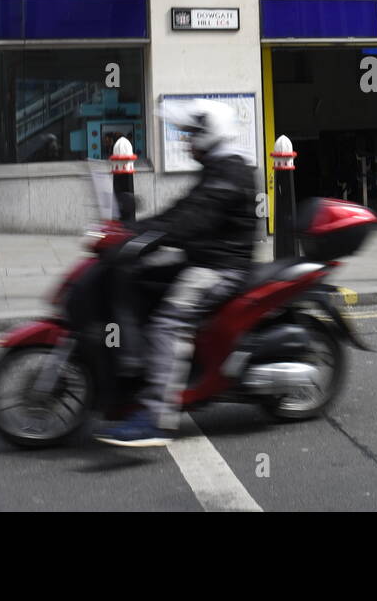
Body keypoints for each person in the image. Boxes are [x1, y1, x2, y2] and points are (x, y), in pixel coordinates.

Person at [95, 99, 258, 447]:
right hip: (203, 260)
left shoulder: (230, 171)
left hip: (220, 268)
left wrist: (150, 237)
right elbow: (183, 211)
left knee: (168, 321)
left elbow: (193, 220)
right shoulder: (218, 166)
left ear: (209, 134)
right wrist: (134, 231)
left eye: (191, 135)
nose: (187, 142)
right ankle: (139, 374)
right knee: (139, 281)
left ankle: (157, 417)